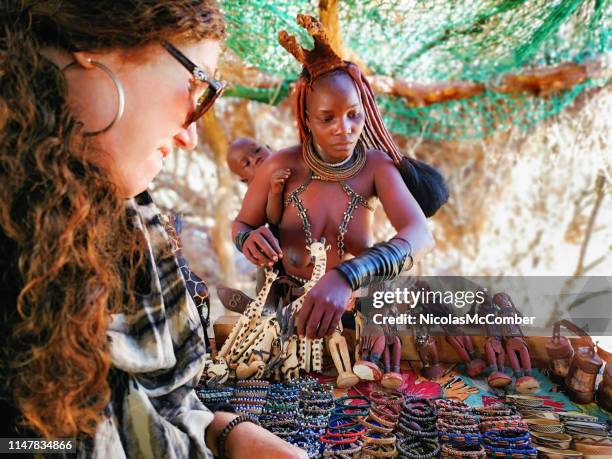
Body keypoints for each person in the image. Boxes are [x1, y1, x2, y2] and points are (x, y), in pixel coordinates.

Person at [0, 2, 305, 458]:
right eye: (199, 86)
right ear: (96, 48)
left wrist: (226, 433)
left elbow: (167, 400)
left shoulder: (126, 223)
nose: (191, 135)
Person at [232, 15, 448, 340]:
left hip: (357, 318)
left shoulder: (375, 167)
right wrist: (247, 240)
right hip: (289, 318)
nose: (344, 129)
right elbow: (242, 225)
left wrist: (348, 275)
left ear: (366, 110)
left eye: (353, 115)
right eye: (327, 118)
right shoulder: (279, 165)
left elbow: (420, 235)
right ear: (307, 117)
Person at [227, 137, 289, 225]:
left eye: (257, 150)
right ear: (245, 179)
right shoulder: (257, 197)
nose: (255, 159)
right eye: (247, 163)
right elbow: (273, 220)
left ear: (269, 148)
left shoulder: (289, 158)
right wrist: (275, 193)